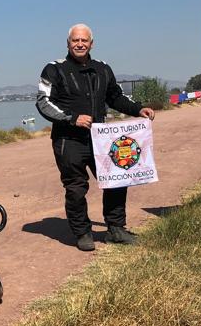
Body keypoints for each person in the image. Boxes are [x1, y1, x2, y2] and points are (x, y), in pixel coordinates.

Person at [36, 24, 155, 251]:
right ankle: (82, 233)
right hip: (68, 141)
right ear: (68, 43)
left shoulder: (103, 68)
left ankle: (116, 229)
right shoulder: (53, 69)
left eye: (84, 40)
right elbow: (43, 102)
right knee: (76, 187)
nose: (80, 44)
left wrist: (138, 109)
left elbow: (116, 97)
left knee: (117, 181)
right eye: (75, 40)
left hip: (101, 139)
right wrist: (72, 118)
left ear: (91, 43)